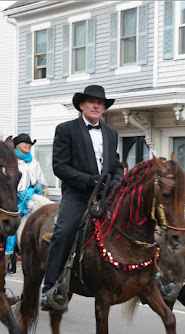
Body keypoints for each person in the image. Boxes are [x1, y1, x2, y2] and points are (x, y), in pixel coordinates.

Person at [41, 84, 124, 311]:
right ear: (82, 105)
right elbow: (60, 167)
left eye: (100, 103)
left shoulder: (111, 133)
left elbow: (116, 164)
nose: (96, 105)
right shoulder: (66, 129)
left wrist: (115, 181)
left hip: (106, 194)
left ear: (104, 108)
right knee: (64, 231)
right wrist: (89, 180)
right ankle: (49, 286)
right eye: (91, 102)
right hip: (78, 194)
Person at [6, 133, 49, 275]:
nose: (28, 145)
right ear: (18, 144)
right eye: (26, 143)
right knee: (9, 226)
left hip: (31, 198)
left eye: (30, 144)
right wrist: (19, 193)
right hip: (14, 199)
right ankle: (6, 255)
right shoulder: (11, 161)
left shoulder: (34, 162)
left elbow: (40, 182)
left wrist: (37, 188)